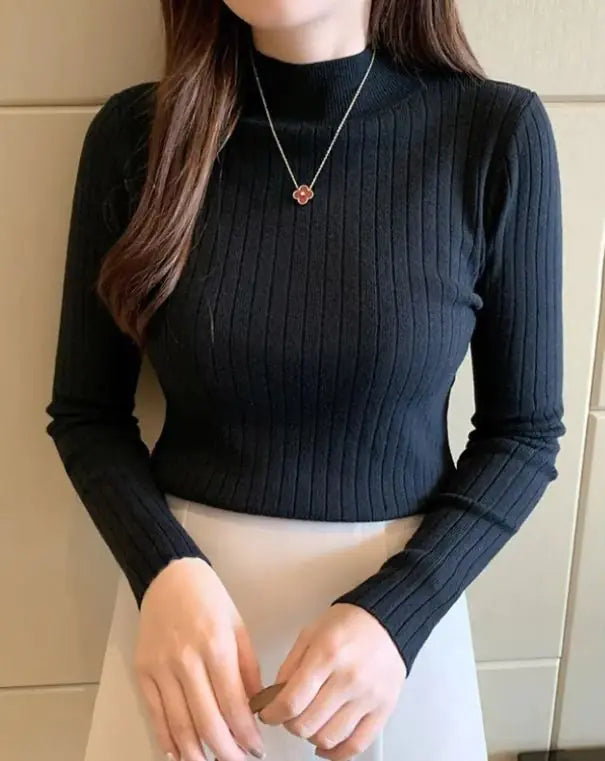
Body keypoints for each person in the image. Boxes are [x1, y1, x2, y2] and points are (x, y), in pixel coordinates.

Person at [45, 1, 566, 760]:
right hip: (184, 631)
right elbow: (86, 413)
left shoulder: (493, 134)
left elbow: (523, 434)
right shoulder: (135, 136)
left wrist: (400, 610)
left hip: (392, 645)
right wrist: (160, 569)